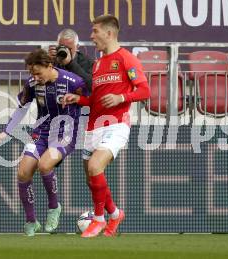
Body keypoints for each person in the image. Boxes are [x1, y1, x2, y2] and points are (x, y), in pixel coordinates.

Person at [62, 14, 150, 238]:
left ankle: (99, 219)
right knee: (91, 176)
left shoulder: (126, 59)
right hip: (93, 127)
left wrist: (121, 98)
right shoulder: (99, 63)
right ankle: (115, 213)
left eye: (95, 31)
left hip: (116, 124)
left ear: (109, 33)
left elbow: (145, 91)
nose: (91, 37)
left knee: (94, 167)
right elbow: (95, 99)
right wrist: (78, 99)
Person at [0, 49, 87, 236]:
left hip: (65, 133)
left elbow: (90, 101)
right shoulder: (32, 84)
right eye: (32, 73)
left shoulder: (73, 81)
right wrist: (6, 131)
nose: (35, 77)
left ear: (50, 66)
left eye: (38, 73)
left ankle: (54, 208)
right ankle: (31, 221)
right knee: (23, 172)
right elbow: (22, 108)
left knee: (45, 165)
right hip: (41, 132)